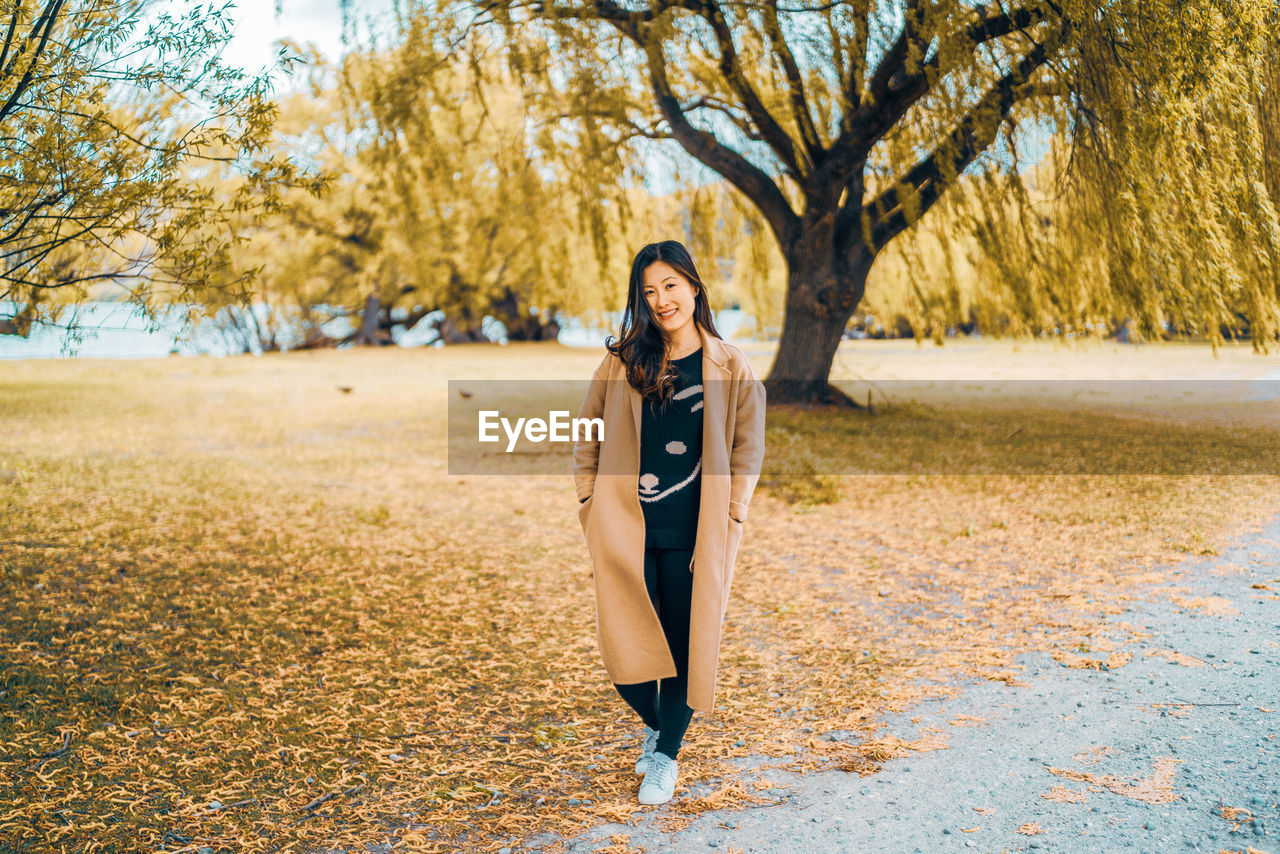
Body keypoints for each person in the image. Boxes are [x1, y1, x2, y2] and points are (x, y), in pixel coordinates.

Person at [571, 239, 766, 806]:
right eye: (650, 291)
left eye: (671, 286)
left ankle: (666, 755)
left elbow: (748, 445)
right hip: (626, 529)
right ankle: (663, 726)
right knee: (628, 658)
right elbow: (587, 433)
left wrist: (734, 512)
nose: (661, 300)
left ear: (694, 287)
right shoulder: (622, 361)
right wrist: (588, 502)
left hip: (697, 532)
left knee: (685, 647)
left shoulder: (730, 363)